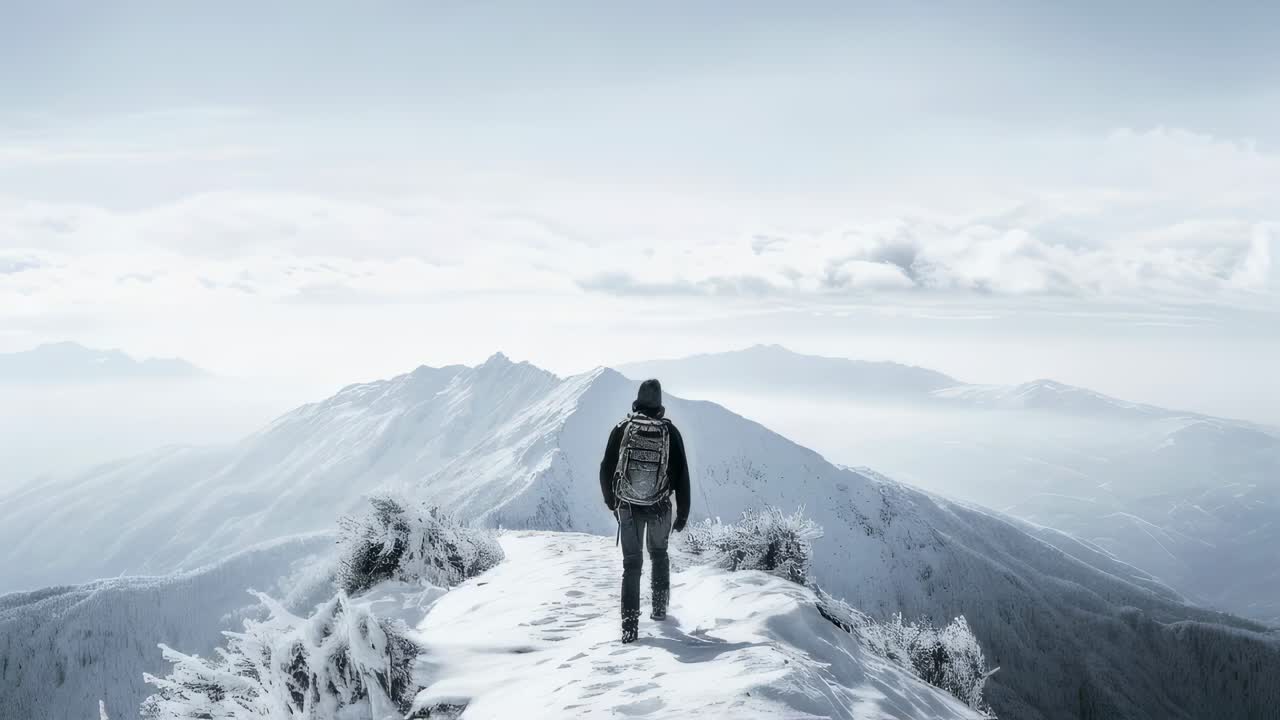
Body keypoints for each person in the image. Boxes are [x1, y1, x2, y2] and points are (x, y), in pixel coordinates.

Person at [599, 378, 691, 643]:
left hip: (628, 505)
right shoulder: (670, 433)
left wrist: (612, 502)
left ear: (637, 402)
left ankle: (629, 628)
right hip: (661, 506)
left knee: (632, 565)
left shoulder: (623, 429)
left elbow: (606, 469)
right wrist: (682, 513)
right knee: (659, 555)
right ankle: (660, 611)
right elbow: (682, 475)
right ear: (660, 406)